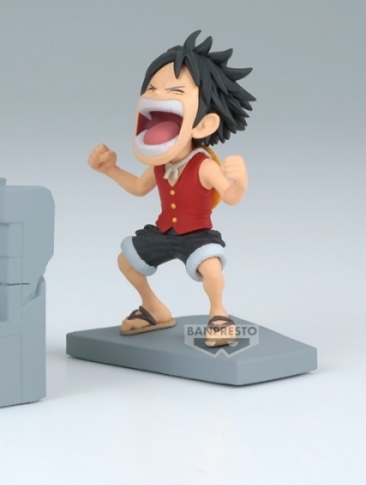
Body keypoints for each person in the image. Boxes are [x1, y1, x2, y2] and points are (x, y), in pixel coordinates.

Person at [88, 30, 254, 346]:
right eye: (152, 89)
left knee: (212, 270)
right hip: (165, 231)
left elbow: (231, 197)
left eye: (175, 91)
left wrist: (241, 181)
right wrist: (110, 170)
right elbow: (139, 187)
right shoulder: (160, 164)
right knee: (126, 261)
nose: (158, 95)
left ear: (203, 124)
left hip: (196, 234)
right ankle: (154, 308)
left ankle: (219, 314)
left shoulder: (203, 165)